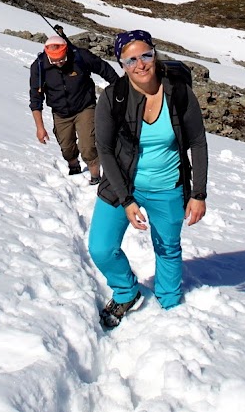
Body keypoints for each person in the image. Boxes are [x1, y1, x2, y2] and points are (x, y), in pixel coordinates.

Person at [89, 29, 208, 329]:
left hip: (168, 186)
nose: (140, 65)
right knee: (101, 247)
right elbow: (104, 149)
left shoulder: (178, 93)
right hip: (122, 185)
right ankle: (127, 291)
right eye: (131, 60)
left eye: (146, 55)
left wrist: (199, 193)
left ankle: (169, 305)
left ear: (155, 54)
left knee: (167, 248)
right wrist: (127, 200)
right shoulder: (112, 98)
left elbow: (198, 141)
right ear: (122, 64)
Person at [29, 34, 120, 183]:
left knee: (88, 146)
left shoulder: (80, 56)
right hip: (60, 112)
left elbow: (104, 69)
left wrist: (118, 88)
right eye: (54, 60)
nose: (59, 63)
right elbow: (35, 98)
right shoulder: (39, 67)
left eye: (62, 59)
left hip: (85, 107)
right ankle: (74, 167)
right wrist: (40, 127)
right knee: (66, 146)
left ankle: (95, 177)